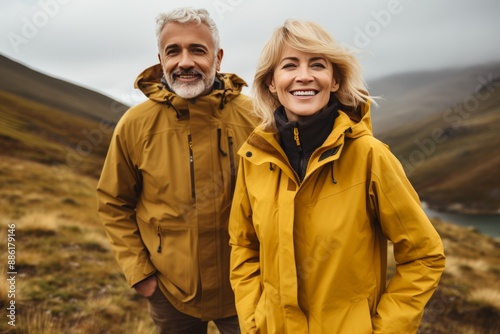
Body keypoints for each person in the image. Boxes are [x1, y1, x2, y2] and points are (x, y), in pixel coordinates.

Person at [228, 19, 446, 334]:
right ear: (271, 83)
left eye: (317, 65)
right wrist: (252, 322)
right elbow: (243, 245)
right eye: (289, 65)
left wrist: (386, 330)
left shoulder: (370, 156)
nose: (304, 76)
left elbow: (424, 255)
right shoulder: (255, 159)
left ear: (334, 80)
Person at [96, 7, 257, 334]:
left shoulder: (257, 117)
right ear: (161, 58)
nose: (185, 62)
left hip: (248, 285)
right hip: (170, 293)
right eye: (174, 51)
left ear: (218, 57)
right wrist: (141, 274)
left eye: (198, 50)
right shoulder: (135, 125)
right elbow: (114, 203)